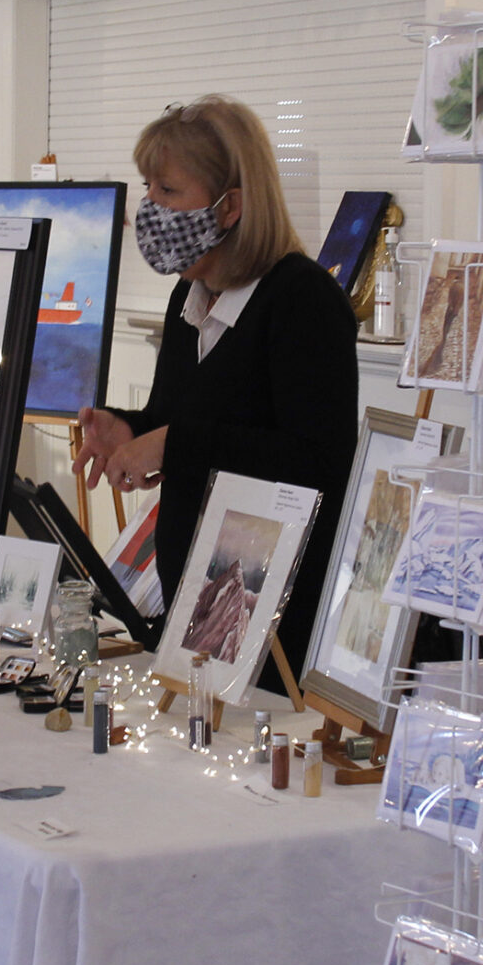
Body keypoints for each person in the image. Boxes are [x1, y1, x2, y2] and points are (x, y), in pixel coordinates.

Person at [74, 96, 359, 684]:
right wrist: (129, 428)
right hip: (196, 613)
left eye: (168, 191)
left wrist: (173, 443)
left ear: (231, 206)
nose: (149, 208)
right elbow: (177, 419)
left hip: (272, 626)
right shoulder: (190, 295)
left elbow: (317, 463)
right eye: (147, 187)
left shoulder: (303, 301)